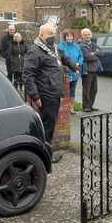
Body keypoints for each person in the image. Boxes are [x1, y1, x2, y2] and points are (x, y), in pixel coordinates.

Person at [24, 24, 79, 154]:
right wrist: (35, 96)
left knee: (50, 124)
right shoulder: (35, 51)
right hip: (45, 93)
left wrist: (74, 66)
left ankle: (44, 152)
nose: (52, 37)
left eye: (54, 34)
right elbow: (28, 75)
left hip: (54, 92)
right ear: (41, 35)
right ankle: (43, 154)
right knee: (46, 125)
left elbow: (64, 58)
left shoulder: (54, 48)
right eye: (49, 34)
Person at [59, 29, 84, 114]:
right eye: (67, 36)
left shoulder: (77, 46)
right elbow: (62, 58)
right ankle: (64, 107)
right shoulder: (61, 46)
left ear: (73, 37)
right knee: (66, 90)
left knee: (72, 90)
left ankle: (71, 107)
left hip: (75, 71)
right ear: (64, 37)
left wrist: (78, 63)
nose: (69, 38)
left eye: (71, 36)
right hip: (66, 71)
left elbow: (81, 56)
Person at [79, 28, 103, 113]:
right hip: (86, 71)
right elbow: (87, 57)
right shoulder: (81, 45)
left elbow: (101, 53)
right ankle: (86, 106)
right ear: (82, 36)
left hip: (94, 70)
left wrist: (94, 53)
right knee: (87, 89)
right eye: (85, 35)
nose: (87, 36)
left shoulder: (93, 44)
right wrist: (95, 53)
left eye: (88, 34)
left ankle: (90, 105)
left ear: (91, 35)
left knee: (94, 89)